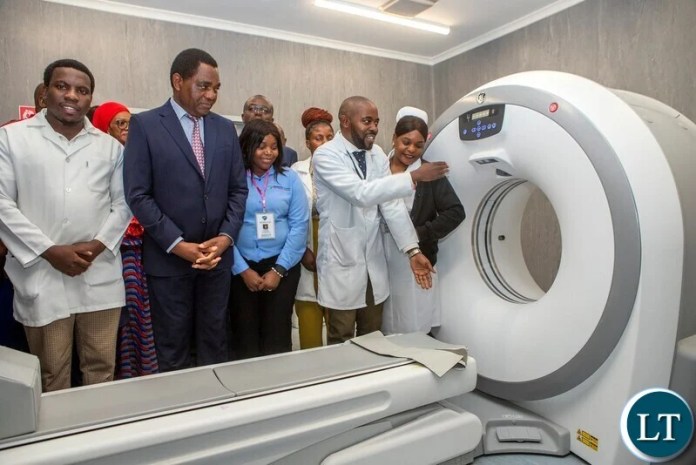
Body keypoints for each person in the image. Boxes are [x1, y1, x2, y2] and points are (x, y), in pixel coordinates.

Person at [0, 59, 131, 391]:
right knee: (51, 374)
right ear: (45, 93)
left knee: (102, 370)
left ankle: (100, 438)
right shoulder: (12, 139)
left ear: (90, 98)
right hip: (43, 274)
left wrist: (98, 244)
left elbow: (124, 203)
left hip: (97, 272)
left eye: (82, 90)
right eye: (63, 86)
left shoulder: (111, 148)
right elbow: (2, 204)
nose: (72, 96)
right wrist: (50, 251)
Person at [124, 48, 248, 372]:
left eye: (216, 88)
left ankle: (215, 412)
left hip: (216, 260)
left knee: (214, 343)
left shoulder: (225, 129)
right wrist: (179, 246)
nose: (211, 95)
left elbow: (238, 190)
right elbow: (138, 195)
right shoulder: (146, 125)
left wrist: (224, 238)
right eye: (204, 86)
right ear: (178, 81)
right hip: (168, 262)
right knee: (172, 349)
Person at [312, 96, 449, 344]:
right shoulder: (326, 155)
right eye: (367, 121)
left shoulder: (376, 154)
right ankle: (345, 382)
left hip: (373, 264)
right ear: (345, 121)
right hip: (342, 259)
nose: (374, 127)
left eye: (376, 121)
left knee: (373, 336)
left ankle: (373, 381)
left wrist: (413, 250)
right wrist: (414, 176)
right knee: (341, 336)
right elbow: (360, 194)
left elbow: (391, 205)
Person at [229, 119, 308, 359]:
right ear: (247, 147)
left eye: (274, 147)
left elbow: (299, 226)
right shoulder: (234, 178)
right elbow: (224, 228)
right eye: (261, 146)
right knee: (245, 336)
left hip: (282, 265)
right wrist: (242, 270)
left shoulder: (290, 179)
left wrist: (279, 270)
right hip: (242, 267)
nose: (268, 153)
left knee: (278, 334)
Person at [382, 112, 465, 334]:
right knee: (385, 322)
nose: (411, 150)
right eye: (405, 142)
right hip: (381, 256)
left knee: (414, 323)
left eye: (418, 145)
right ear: (394, 138)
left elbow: (456, 212)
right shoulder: (377, 167)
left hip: (418, 256)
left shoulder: (430, 173)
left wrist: (417, 234)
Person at [92, 102, 158, 378]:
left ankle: (140, 375)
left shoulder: (139, 157)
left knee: (140, 318)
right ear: (103, 127)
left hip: (141, 250)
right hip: (106, 251)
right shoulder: (98, 160)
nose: (127, 129)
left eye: (130, 122)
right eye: (120, 123)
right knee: (111, 325)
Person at [291, 107, 334, 349]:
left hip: (336, 249)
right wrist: (302, 251)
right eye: (319, 138)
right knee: (309, 324)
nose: (325, 143)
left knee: (340, 326)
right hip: (306, 246)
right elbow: (289, 218)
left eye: (330, 137)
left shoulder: (345, 170)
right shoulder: (294, 173)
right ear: (308, 142)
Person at [241, 94, 297, 166]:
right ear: (243, 117)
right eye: (252, 108)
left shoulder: (286, 154)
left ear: (271, 120)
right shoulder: (233, 146)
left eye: (264, 110)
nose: (258, 113)